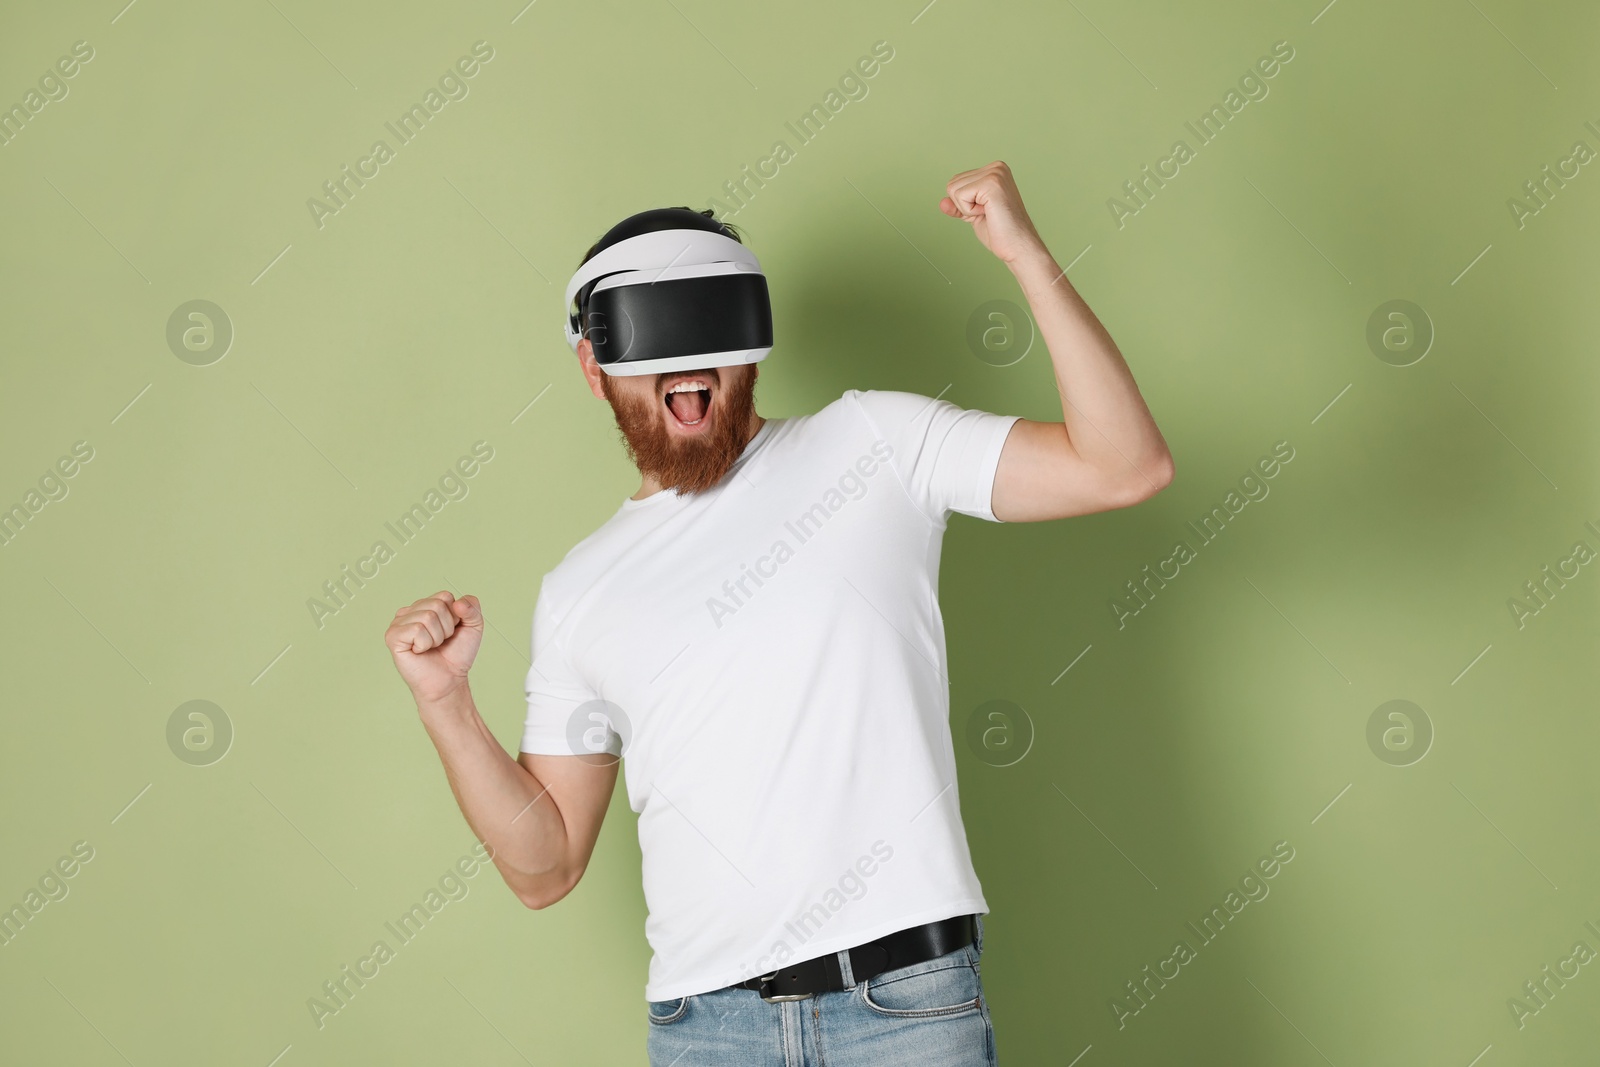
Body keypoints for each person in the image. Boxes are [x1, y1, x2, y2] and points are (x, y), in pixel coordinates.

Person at [384, 161, 1174, 1065]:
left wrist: (1027, 258)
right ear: (594, 368)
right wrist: (445, 703)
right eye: (654, 339)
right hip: (706, 1030)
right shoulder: (580, 590)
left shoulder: (873, 446)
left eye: (710, 329)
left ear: (753, 340)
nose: (687, 367)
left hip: (903, 1007)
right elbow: (545, 865)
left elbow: (1123, 466)